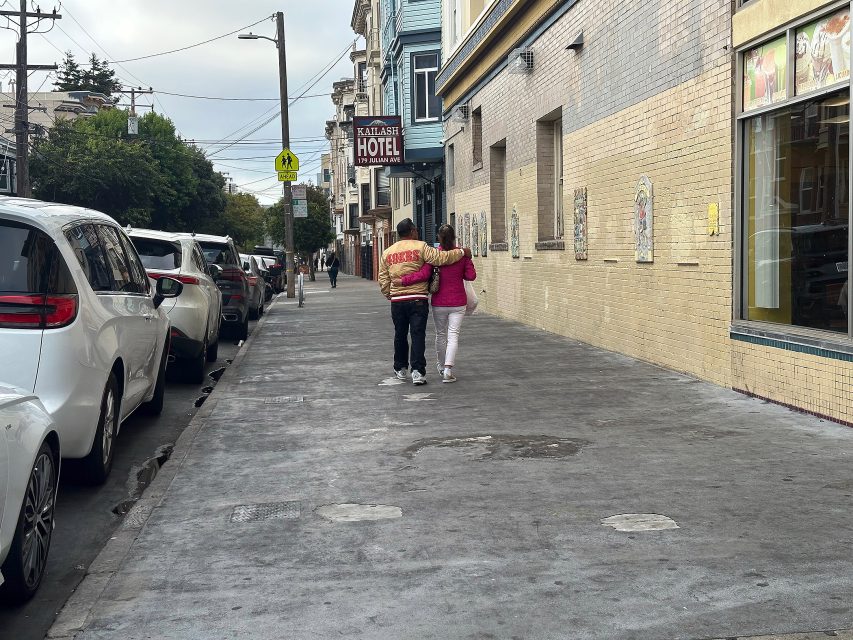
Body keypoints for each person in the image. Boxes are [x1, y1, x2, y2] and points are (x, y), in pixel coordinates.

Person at [379, 218, 471, 385]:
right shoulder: (421, 247)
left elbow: (383, 277)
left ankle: (400, 369)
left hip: (397, 300)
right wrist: (461, 252)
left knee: (399, 334)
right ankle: (418, 372)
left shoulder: (387, 252)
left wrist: (388, 293)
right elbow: (441, 258)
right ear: (413, 231)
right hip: (418, 299)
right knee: (417, 335)